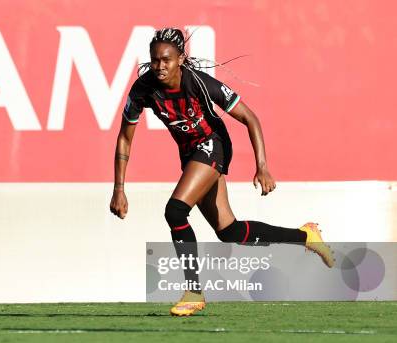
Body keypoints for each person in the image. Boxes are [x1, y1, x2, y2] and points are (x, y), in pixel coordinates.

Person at [109, 28, 334, 316]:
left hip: (213, 146)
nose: (160, 66)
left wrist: (262, 166)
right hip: (191, 155)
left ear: (180, 59)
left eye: (166, 59)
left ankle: (193, 290)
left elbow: (250, 118)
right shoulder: (143, 89)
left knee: (175, 211)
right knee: (230, 231)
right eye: (155, 60)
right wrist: (119, 188)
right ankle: (306, 236)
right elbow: (125, 137)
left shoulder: (199, 83)